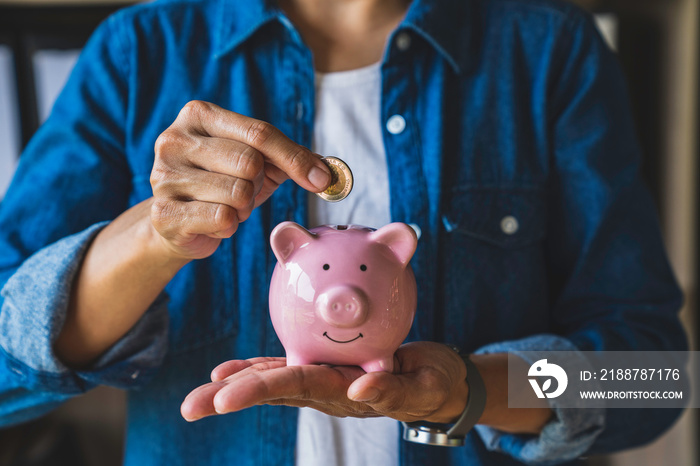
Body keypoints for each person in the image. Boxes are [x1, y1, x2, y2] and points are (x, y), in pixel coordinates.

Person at [0, 0, 687, 464]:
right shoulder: (138, 51)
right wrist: (156, 236)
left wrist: (472, 391)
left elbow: (651, 380)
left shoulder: (549, 51)